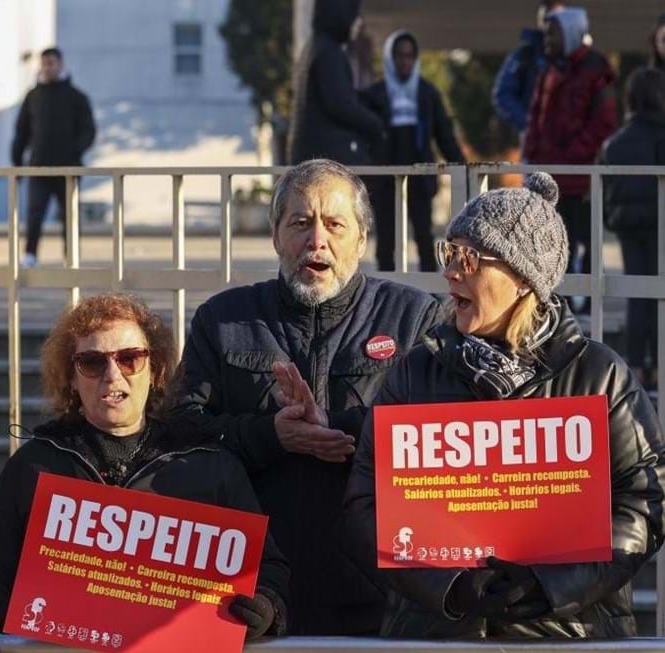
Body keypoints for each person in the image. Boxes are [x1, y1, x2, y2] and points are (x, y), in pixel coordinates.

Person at [345, 172, 665, 637]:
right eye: (448, 253)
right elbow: (364, 503)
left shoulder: (600, 376)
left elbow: (645, 501)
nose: (451, 271)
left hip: (568, 633)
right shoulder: (415, 374)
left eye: (470, 258)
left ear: (522, 279)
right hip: (439, 633)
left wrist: (552, 585)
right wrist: (448, 585)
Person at [169, 159, 441, 635]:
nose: (316, 240)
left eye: (335, 224)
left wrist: (342, 430)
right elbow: (177, 431)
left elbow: (440, 435)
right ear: (276, 236)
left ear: (361, 238)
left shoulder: (414, 318)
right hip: (255, 597)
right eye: (300, 223)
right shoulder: (223, 319)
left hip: (382, 599)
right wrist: (270, 436)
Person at [0, 293, 289, 653]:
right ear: (71, 379)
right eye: (91, 362)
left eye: (130, 359)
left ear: (156, 371)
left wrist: (265, 604)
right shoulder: (34, 466)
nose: (112, 375)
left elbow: (268, 567)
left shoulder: (211, 465)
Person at [523, 6, 617, 281]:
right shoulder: (548, 71)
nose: (548, 42)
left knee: (587, 242)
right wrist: (531, 155)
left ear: (571, 34)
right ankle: (559, 301)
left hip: (582, 179)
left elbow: (604, 123)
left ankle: (588, 304)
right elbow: (535, 119)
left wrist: (572, 156)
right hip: (549, 177)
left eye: (553, 36)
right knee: (550, 244)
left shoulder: (597, 69)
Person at [363, 30, 465, 272]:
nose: (404, 61)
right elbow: (363, 136)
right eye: (399, 55)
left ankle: (427, 296)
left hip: (420, 177)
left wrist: (462, 166)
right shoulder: (374, 95)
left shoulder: (427, 93)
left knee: (424, 237)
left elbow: (444, 133)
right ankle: (386, 295)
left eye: (409, 56)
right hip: (384, 179)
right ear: (390, 58)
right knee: (386, 240)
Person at [600, 67, 665, 393]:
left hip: (627, 223)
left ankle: (638, 363)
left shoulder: (616, 142)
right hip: (659, 224)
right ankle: (660, 362)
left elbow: (608, 186)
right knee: (660, 294)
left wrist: (613, 217)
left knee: (636, 296)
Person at [11, 47, 96, 269]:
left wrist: (75, 151)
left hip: (69, 169)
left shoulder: (76, 97)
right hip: (38, 167)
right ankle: (30, 254)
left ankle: (71, 257)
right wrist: (17, 163)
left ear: (61, 65)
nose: (48, 67)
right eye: (44, 63)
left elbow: (89, 130)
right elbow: (21, 132)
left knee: (70, 215)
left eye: (52, 63)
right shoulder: (33, 96)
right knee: (34, 213)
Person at [288, 0, 384, 166]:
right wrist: (375, 124)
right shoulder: (329, 52)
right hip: (325, 160)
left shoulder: (315, 46)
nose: (357, 22)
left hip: (313, 156)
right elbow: (340, 104)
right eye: (353, 14)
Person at [492, 1, 563, 133]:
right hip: (535, 139)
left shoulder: (574, 55)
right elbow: (503, 94)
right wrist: (528, 123)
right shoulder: (526, 54)